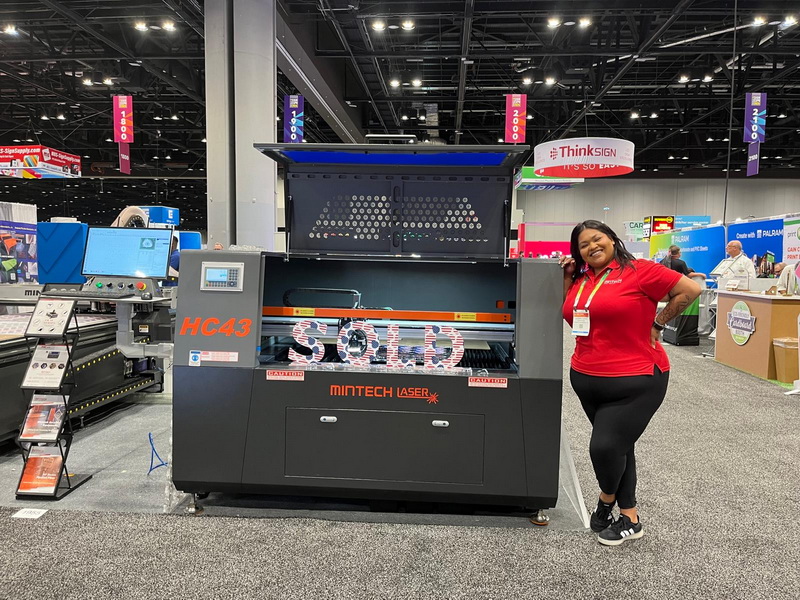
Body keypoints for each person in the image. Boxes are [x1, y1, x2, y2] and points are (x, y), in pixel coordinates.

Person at [558, 220, 701, 546]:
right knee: (620, 445)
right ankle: (630, 516)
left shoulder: (640, 271)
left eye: (597, 239)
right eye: (583, 244)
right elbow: (566, 311)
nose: (592, 247)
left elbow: (691, 290)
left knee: (604, 447)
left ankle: (607, 499)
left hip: (636, 379)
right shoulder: (581, 278)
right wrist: (567, 277)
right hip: (587, 377)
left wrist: (658, 323)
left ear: (612, 239)